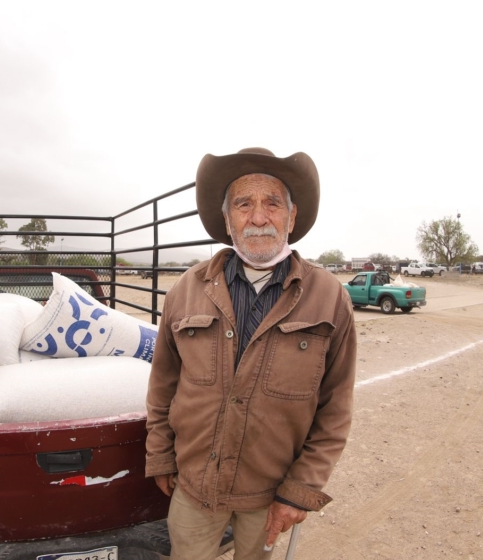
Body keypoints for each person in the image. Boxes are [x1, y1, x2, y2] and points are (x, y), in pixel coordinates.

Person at [145, 148, 357, 559]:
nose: (258, 217)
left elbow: (335, 410)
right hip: (193, 489)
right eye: (244, 204)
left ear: (291, 218)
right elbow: (162, 387)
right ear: (227, 220)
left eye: (272, 203)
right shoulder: (184, 292)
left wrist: (300, 491)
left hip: (272, 497)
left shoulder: (329, 299)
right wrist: (160, 456)